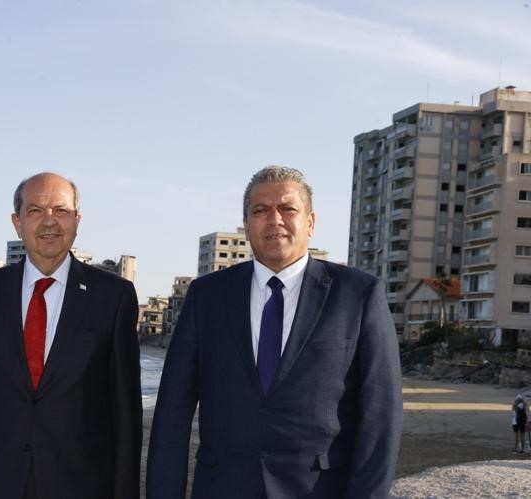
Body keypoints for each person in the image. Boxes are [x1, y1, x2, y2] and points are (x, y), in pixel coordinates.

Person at [146, 166, 403, 499]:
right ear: (246, 224)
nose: (274, 219)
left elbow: (381, 417)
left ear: (310, 222)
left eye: (287, 208)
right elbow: (172, 412)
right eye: (260, 210)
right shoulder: (206, 296)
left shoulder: (358, 294)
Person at [0, 172, 142, 499]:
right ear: (17, 223)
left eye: (61, 210)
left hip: (80, 485)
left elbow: (126, 413)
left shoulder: (114, 297)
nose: (49, 221)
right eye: (35, 210)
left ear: (77, 220)